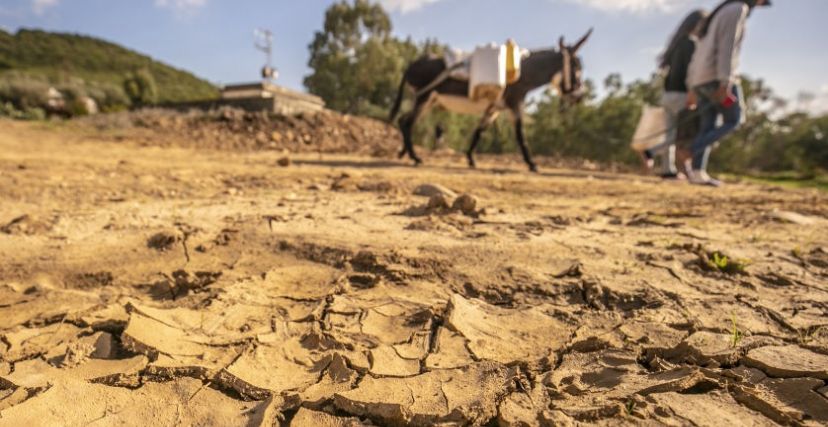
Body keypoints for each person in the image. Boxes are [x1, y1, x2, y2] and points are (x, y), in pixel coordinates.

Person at [685, 0, 772, 186]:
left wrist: (692, 85)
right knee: (734, 119)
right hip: (716, 77)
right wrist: (726, 82)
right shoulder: (737, 9)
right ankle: (692, 149)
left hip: (701, 79)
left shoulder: (718, 12)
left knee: (708, 125)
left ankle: (698, 172)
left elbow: (698, 54)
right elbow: (728, 47)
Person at [644, 9, 709, 179]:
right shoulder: (691, 44)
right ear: (697, 25)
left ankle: (667, 170)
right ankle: (651, 151)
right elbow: (691, 73)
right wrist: (692, 92)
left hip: (667, 94)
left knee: (669, 133)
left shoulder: (676, 44)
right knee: (679, 135)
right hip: (681, 94)